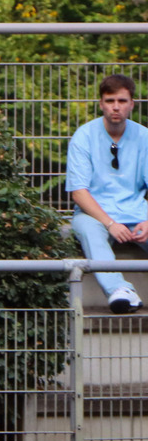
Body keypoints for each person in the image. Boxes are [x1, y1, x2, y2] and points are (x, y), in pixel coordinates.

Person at [66, 74, 148, 314]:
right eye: (110, 100)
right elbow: (79, 193)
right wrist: (110, 223)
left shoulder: (144, 137)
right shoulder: (83, 136)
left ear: (132, 104)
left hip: (136, 211)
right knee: (90, 232)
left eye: (122, 101)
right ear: (101, 103)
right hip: (94, 214)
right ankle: (119, 291)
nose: (115, 107)